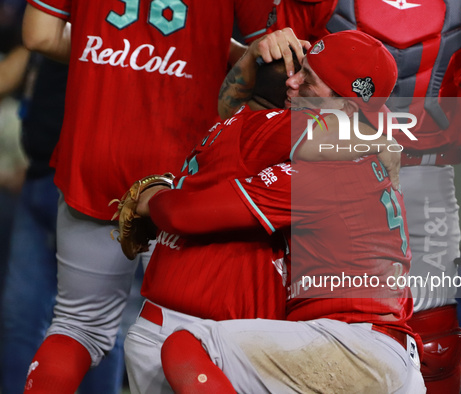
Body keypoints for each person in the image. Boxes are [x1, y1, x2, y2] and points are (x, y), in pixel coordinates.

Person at [126, 29, 423, 393]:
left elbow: (183, 215)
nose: (292, 82)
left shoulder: (320, 166)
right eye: (300, 68)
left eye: (309, 79)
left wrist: (152, 195)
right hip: (392, 357)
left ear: (345, 108)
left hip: (347, 349)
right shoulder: (359, 157)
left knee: (190, 346)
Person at [20, 0, 276, 391]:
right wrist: (201, 49)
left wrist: (106, 53)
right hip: (186, 174)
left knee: (78, 326)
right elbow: (272, 65)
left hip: (94, 152)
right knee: (191, 338)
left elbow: (38, 34)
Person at [1, 53, 131, 394]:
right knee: (21, 317)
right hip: (40, 174)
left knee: (92, 325)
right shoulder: (50, 37)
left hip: (92, 187)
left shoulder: (98, 31)